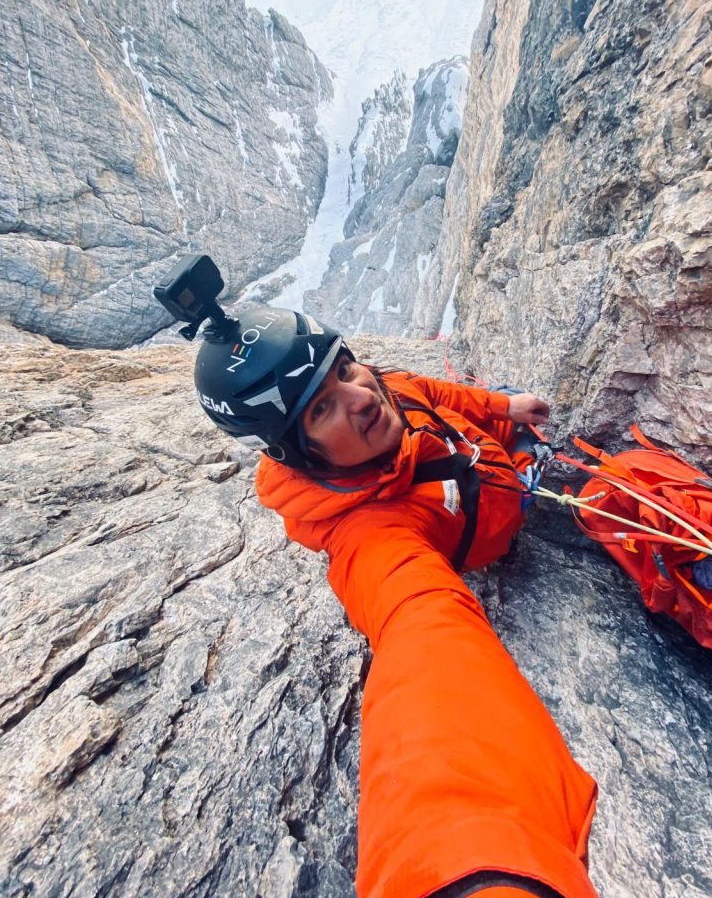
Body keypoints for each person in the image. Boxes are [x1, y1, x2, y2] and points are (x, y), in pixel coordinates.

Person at [155, 259, 598, 898]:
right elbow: (424, 637)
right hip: (507, 505)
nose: (362, 397)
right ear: (293, 452)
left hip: (496, 458)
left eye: (343, 367)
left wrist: (504, 407)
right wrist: (471, 865)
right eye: (322, 411)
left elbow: (424, 391)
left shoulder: (378, 394)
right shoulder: (371, 536)